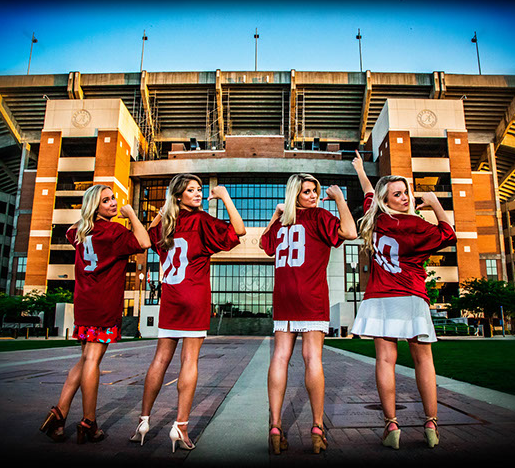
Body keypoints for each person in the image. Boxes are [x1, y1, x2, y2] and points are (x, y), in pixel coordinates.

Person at [130, 174, 245, 452]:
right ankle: (180, 427)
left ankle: (143, 422)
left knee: (160, 359)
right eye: (190, 190)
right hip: (193, 295)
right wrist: (226, 197)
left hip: (170, 297)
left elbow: (145, 237)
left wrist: (160, 213)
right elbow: (238, 230)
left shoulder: (166, 225)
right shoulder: (202, 220)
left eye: (199, 189)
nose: (197, 193)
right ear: (179, 195)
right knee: (189, 360)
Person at [350, 151, 457, 449]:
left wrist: (360, 168)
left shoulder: (377, 218)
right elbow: (449, 235)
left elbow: (369, 192)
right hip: (410, 295)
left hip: (380, 298)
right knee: (424, 361)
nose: (405, 197)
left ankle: (391, 426)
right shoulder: (416, 226)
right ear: (388, 200)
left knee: (385, 360)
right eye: (398, 194)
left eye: (406, 192)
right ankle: (431, 424)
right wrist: (435, 204)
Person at [39, 184, 150, 444]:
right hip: (104, 303)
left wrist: (90, 216)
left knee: (84, 359)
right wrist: (131, 214)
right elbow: (144, 242)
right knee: (93, 361)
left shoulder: (78, 231)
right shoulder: (114, 231)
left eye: (113, 199)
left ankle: (59, 414)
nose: (113, 203)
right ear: (95, 207)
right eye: (106, 201)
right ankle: (89, 421)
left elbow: (70, 230)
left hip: (84, 303)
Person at [259, 173, 357, 454]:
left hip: (284, 296)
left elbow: (264, 245)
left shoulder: (282, 222)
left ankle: (275, 427)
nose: (313, 196)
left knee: (280, 356)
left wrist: (276, 214)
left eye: (314, 191)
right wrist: (339, 199)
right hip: (311, 295)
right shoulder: (319, 217)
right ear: (296, 195)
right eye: (307, 192)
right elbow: (350, 232)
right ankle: (316, 428)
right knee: (312, 357)